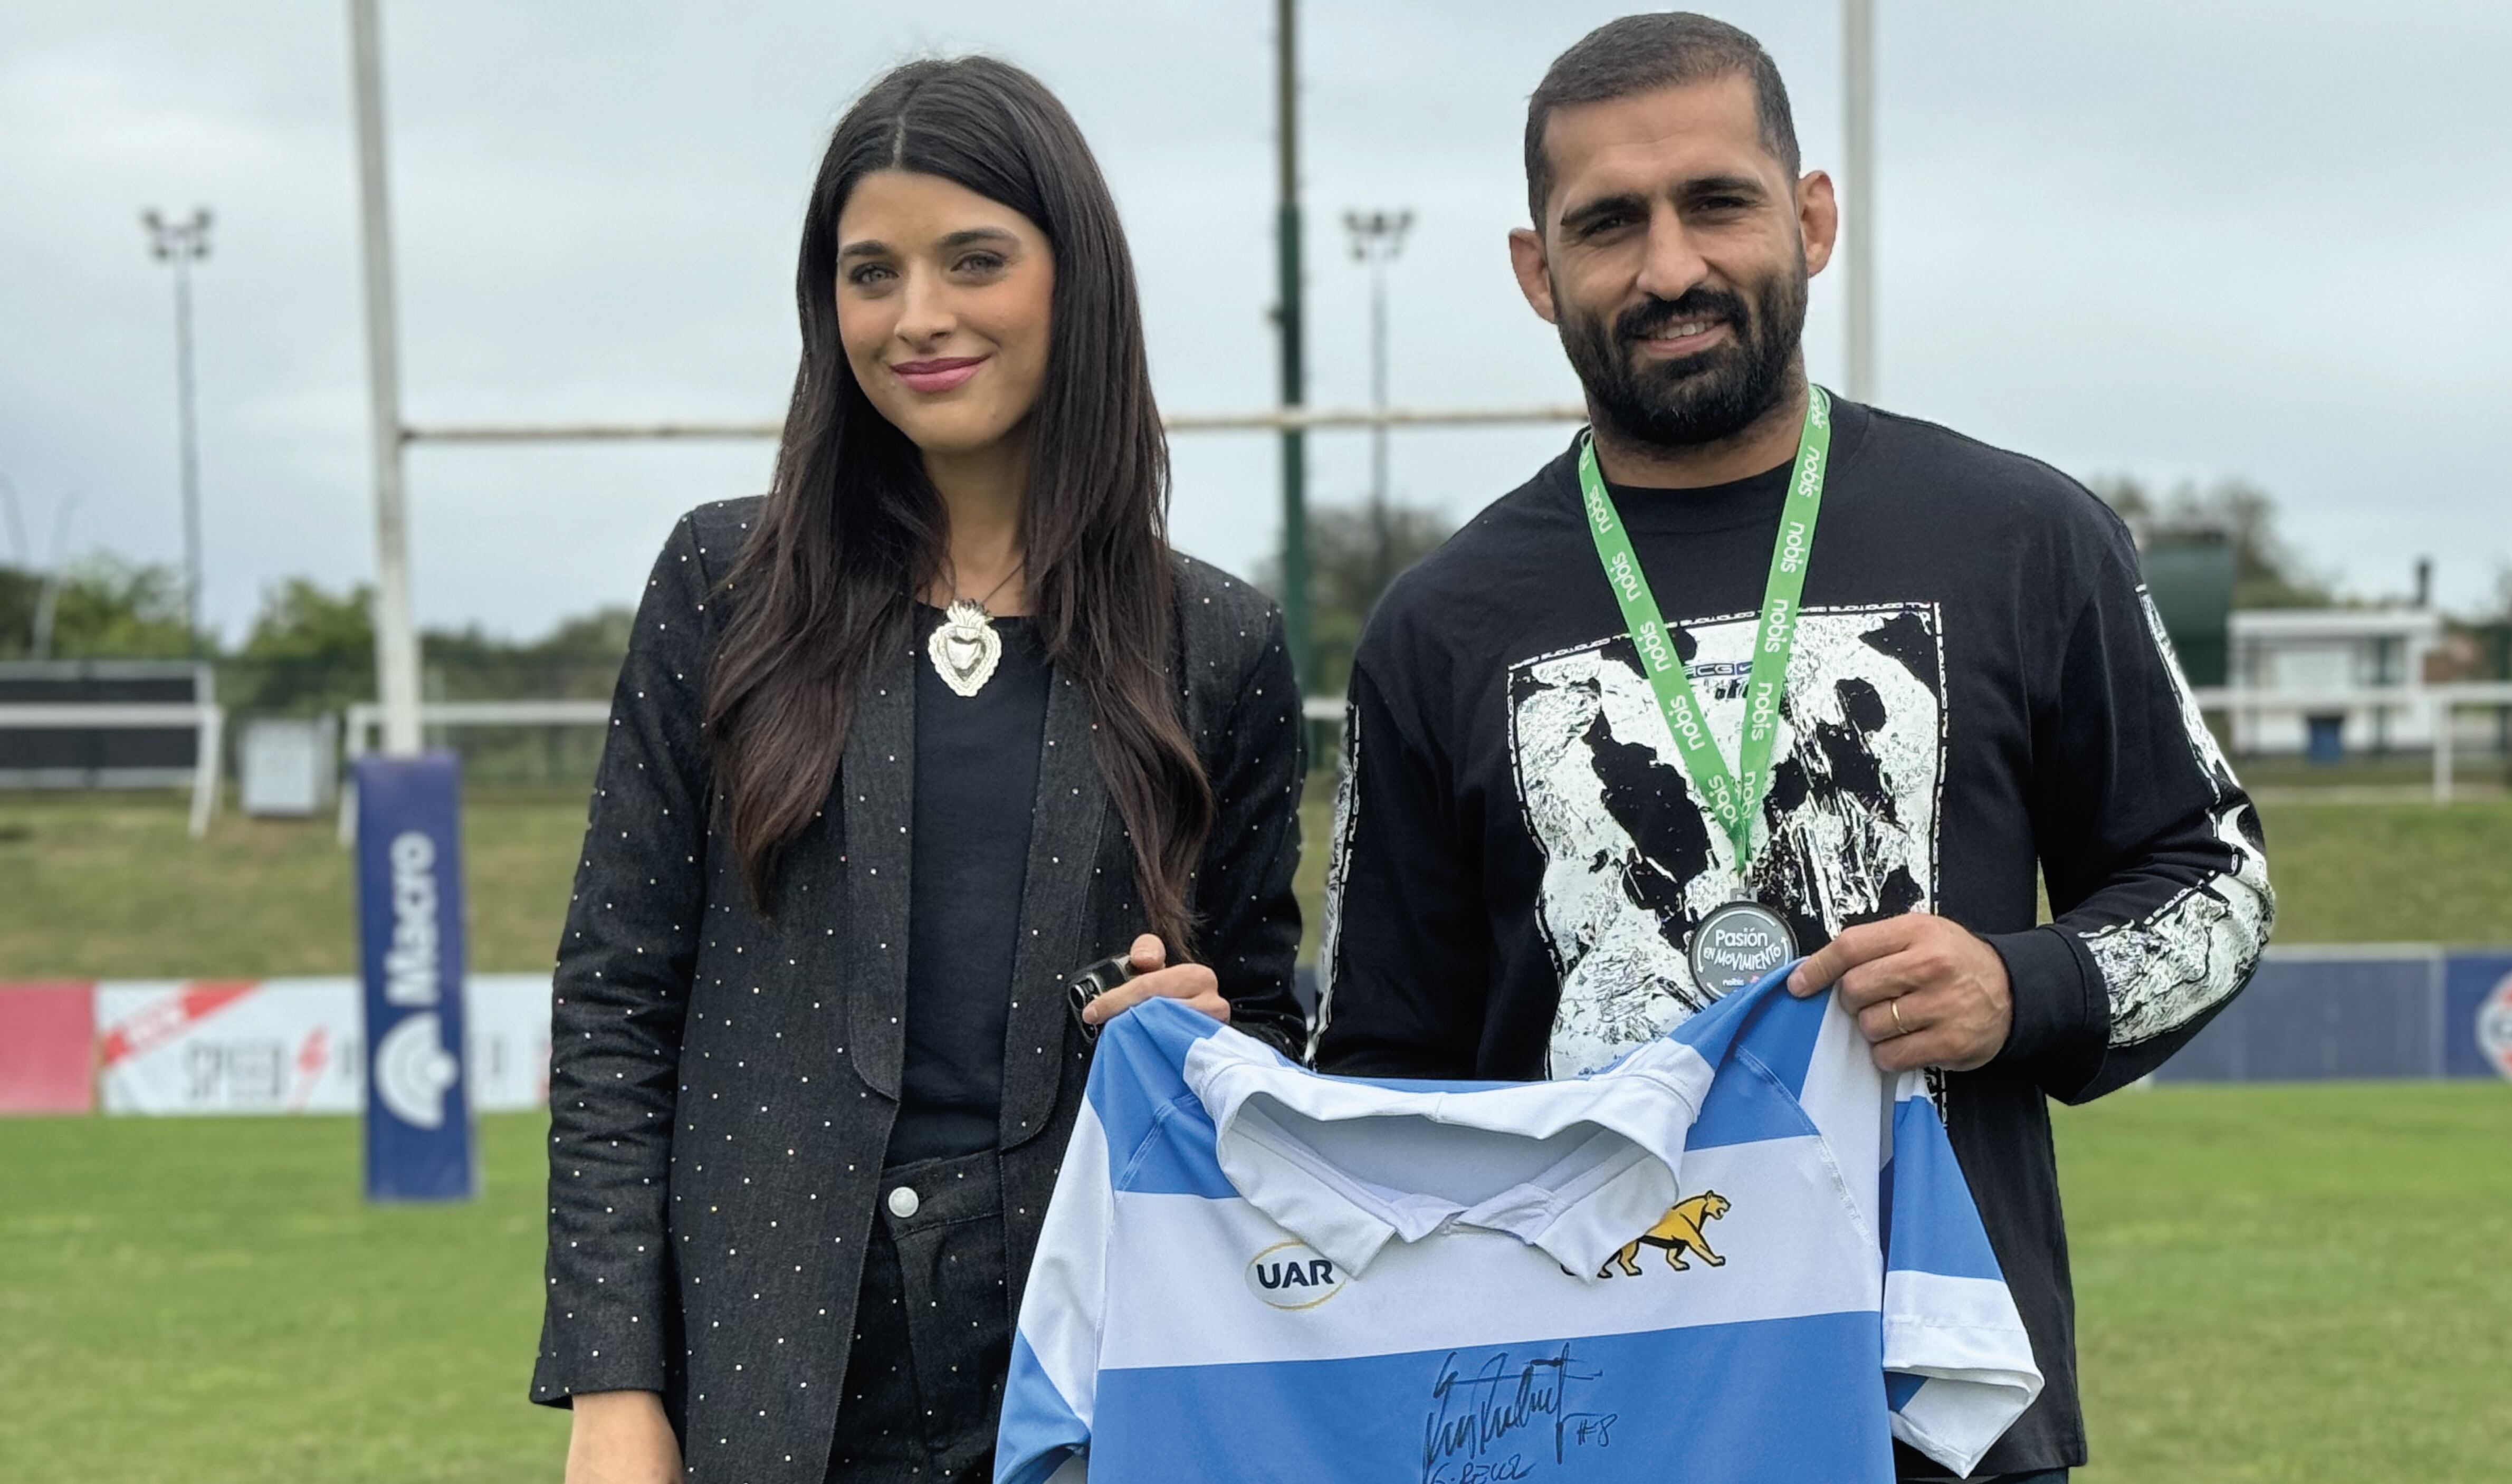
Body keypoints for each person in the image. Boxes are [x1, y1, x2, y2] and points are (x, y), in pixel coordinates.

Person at [1309, 14, 2274, 1481]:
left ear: (1810, 219)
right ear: (1536, 269)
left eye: (1718, 203)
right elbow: (1384, 1067)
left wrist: (2020, 986)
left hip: (1935, 1421)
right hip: (1569, 1422)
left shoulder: (2025, 539)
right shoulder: (1438, 627)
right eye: (1608, 224)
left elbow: (2213, 883)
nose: (1671, 267)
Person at [530, 56, 1307, 1484]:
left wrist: (1213, 1028)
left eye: (975, 262)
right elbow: (615, 1004)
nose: (920, 316)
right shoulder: (723, 584)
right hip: (770, 1379)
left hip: (1096, 1367)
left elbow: (1262, 1023)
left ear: (1075, 281)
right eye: (869, 272)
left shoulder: (1221, 640)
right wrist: (613, 1385)